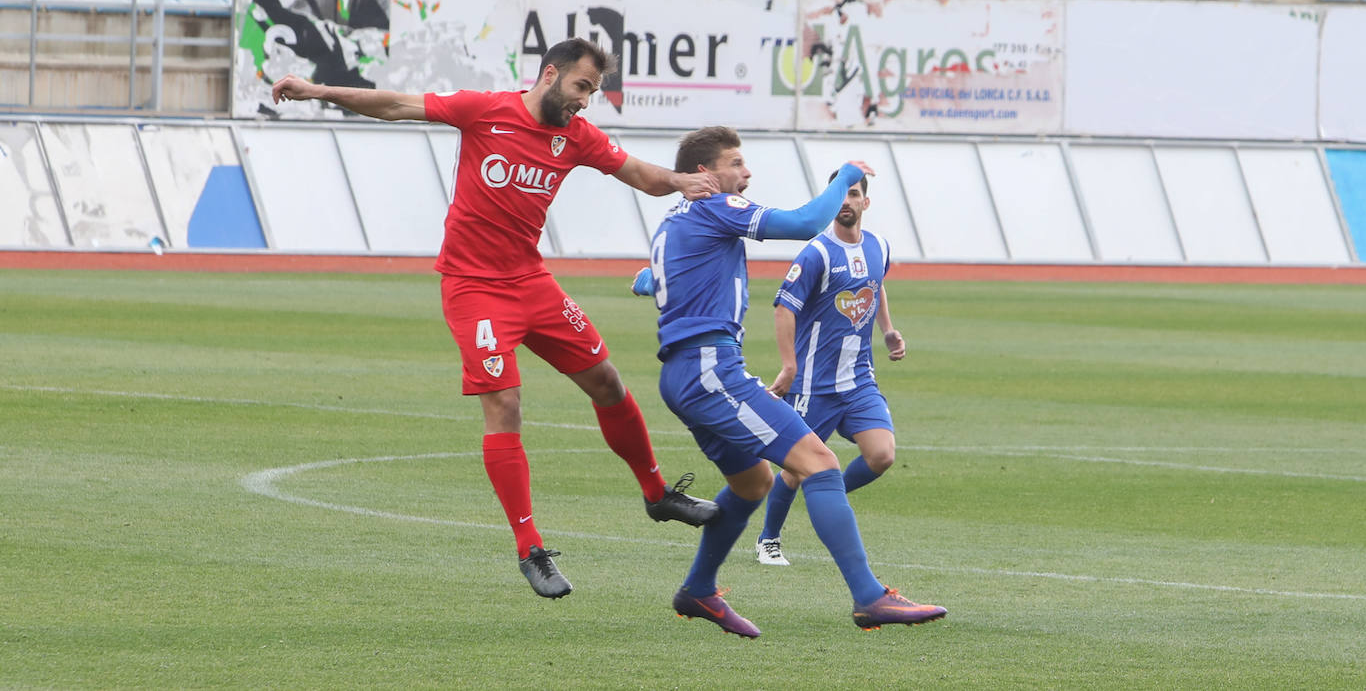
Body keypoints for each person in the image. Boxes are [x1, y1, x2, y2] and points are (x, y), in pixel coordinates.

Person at [271, 37, 721, 601]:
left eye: (593, 92)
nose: (585, 101)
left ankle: (657, 494)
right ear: (550, 74)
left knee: (606, 380)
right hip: (474, 289)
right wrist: (317, 90)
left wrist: (681, 181)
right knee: (504, 401)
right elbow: (394, 104)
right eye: (581, 87)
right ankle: (530, 547)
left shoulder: (575, 136)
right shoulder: (485, 111)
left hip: (531, 281)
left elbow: (638, 174)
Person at [633, 126, 945, 636]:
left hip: (689, 372)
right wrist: (849, 173)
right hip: (712, 369)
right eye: (735, 162)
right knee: (819, 463)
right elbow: (803, 223)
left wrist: (650, 282)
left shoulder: (675, 220)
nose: (746, 172)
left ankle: (699, 590)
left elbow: (666, 276)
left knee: (753, 482)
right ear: (703, 175)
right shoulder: (715, 205)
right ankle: (870, 597)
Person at [754, 171, 905, 567]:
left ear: (865, 203)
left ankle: (823, 492)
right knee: (793, 470)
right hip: (813, 384)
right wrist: (789, 365)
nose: (846, 201)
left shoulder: (879, 247)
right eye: (839, 193)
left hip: (858, 381)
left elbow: (876, 284)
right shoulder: (817, 253)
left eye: (853, 194)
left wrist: (887, 329)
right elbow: (784, 307)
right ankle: (768, 538)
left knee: (882, 455)